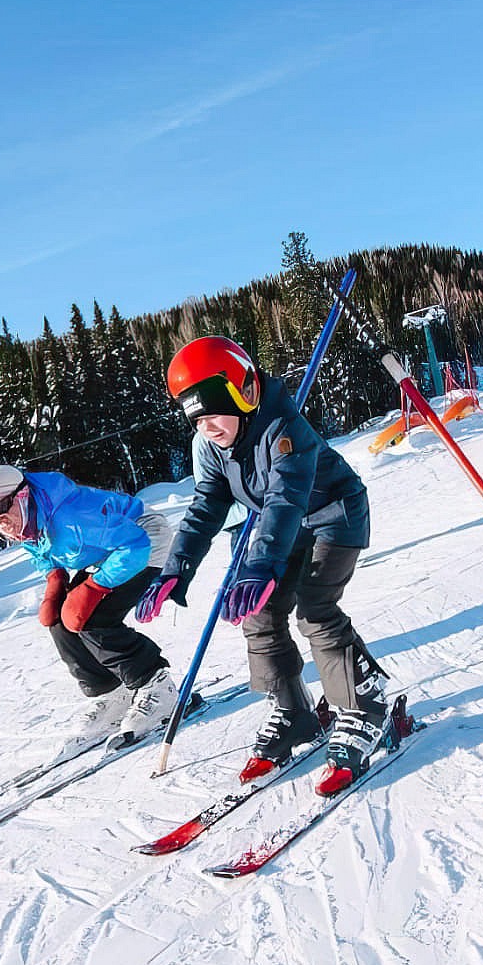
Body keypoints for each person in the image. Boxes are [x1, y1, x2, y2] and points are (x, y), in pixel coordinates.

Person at [134, 336, 391, 796]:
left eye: (214, 413)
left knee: (315, 609)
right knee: (259, 613)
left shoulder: (284, 427)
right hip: (287, 526)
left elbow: (284, 497)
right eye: (197, 419)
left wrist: (261, 565)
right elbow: (207, 505)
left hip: (334, 516)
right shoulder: (214, 445)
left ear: (244, 392)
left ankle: (363, 706)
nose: (207, 427)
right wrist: (177, 566)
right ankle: (293, 711)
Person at [0, 451, 179, 752]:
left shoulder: (71, 518)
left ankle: (156, 686)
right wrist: (55, 578)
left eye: (3, 506)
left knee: (91, 617)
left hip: (144, 538)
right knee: (58, 619)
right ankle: (109, 692)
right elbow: (40, 549)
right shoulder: (26, 516)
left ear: (22, 494)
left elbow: (134, 544)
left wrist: (94, 587)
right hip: (107, 550)